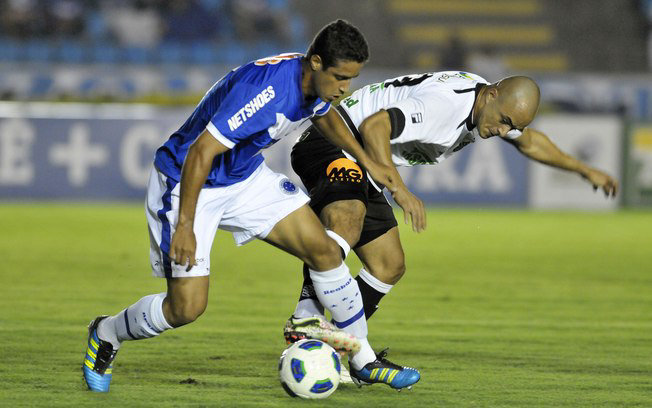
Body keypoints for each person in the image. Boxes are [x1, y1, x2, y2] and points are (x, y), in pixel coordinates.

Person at [82, 19, 420, 393]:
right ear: (316, 62)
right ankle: (106, 332)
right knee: (186, 308)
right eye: (340, 77)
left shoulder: (318, 86)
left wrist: (366, 160)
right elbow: (200, 153)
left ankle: (363, 360)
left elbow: (325, 116)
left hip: (243, 179)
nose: (345, 88)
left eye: (351, 79)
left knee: (324, 252)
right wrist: (185, 226)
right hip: (186, 183)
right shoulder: (267, 92)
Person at [284, 71, 618, 386]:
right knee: (348, 215)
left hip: (368, 161)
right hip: (332, 141)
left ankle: (339, 347)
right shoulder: (445, 107)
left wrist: (583, 170)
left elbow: (529, 141)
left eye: (511, 126)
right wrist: (400, 190)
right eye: (504, 122)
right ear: (491, 94)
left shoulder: (492, 107)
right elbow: (376, 125)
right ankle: (309, 318)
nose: (503, 132)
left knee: (389, 264)